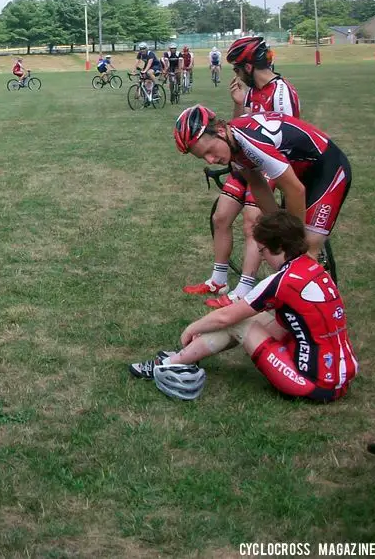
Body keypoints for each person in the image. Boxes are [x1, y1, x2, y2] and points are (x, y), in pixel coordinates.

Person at [130, 211, 357, 402]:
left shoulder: (282, 281)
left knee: (239, 322)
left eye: (262, 251)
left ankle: (168, 365)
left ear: (277, 247)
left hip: (311, 384)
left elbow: (226, 317)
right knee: (267, 318)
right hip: (340, 377)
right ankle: (184, 357)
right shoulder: (313, 267)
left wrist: (192, 327)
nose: (262, 258)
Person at [185, 36, 302, 307]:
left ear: (248, 67)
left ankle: (245, 290)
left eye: (237, 68)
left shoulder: (282, 92)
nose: (236, 74)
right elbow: (237, 129)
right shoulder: (250, 91)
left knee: (253, 222)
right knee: (221, 216)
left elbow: (290, 139)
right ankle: (218, 278)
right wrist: (238, 102)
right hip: (246, 161)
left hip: (271, 167)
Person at [174, 104, 351, 262]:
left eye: (210, 151)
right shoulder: (233, 144)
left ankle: (320, 291)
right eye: (203, 157)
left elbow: (296, 191)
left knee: (306, 248)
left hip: (330, 169)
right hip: (302, 170)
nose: (210, 160)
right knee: (288, 247)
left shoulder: (249, 141)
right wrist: (279, 226)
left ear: (220, 131)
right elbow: (258, 186)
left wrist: (292, 239)